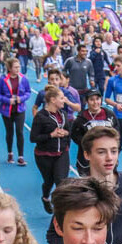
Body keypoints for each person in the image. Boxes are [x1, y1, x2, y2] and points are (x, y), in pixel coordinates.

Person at [46, 126, 122, 244]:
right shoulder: (75, 191)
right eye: (101, 152)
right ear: (87, 154)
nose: (109, 158)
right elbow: (53, 235)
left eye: (114, 151)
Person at [30, 85, 72, 214]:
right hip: (44, 155)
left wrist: (65, 133)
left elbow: (69, 131)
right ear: (53, 100)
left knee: (61, 182)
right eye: (61, 98)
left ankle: (61, 211)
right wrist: (51, 135)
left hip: (62, 153)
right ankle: (45, 197)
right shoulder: (40, 116)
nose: (64, 100)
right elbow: (33, 138)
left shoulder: (64, 114)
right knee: (49, 181)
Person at [71, 89, 119, 175]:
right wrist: (89, 144)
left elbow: (117, 133)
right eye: (92, 100)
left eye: (97, 99)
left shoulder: (110, 115)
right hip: (87, 160)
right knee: (88, 182)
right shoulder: (81, 119)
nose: (95, 102)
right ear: (87, 101)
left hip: (107, 159)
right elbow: (75, 135)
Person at [0, 57, 30, 166]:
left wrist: (21, 98)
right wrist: (7, 100)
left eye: (19, 67)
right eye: (15, 67)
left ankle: (21, 156)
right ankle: (10, 153)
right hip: (7, 110)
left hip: (20, 109)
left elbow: (28, 92)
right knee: (9, 132)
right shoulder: (2, 80)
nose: (18, 69)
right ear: (9, 68)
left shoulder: (23, 79)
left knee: (20, 132)